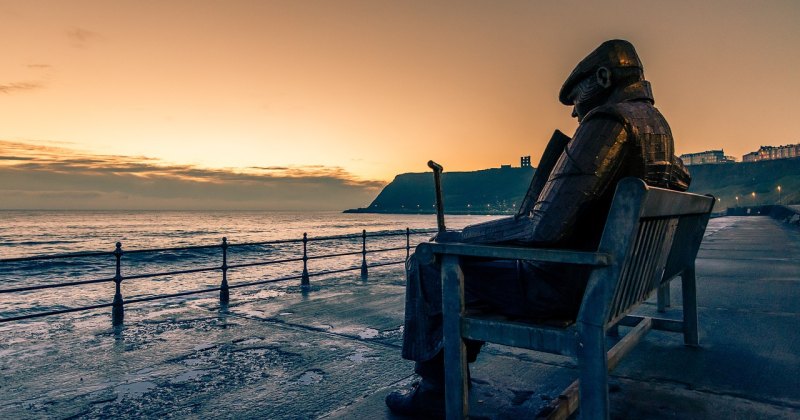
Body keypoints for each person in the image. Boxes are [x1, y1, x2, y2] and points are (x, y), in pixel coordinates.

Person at [385, 39, 691, 416]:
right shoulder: (658, 126)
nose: (576, 114)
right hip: (620, 278)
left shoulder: (609, 122)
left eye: (577, 99)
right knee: (451, 257)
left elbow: (544, 229)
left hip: (568, 289)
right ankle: (449, 371)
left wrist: (460, 239)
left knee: (429, 262)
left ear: (602, 77)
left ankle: (435, 391)